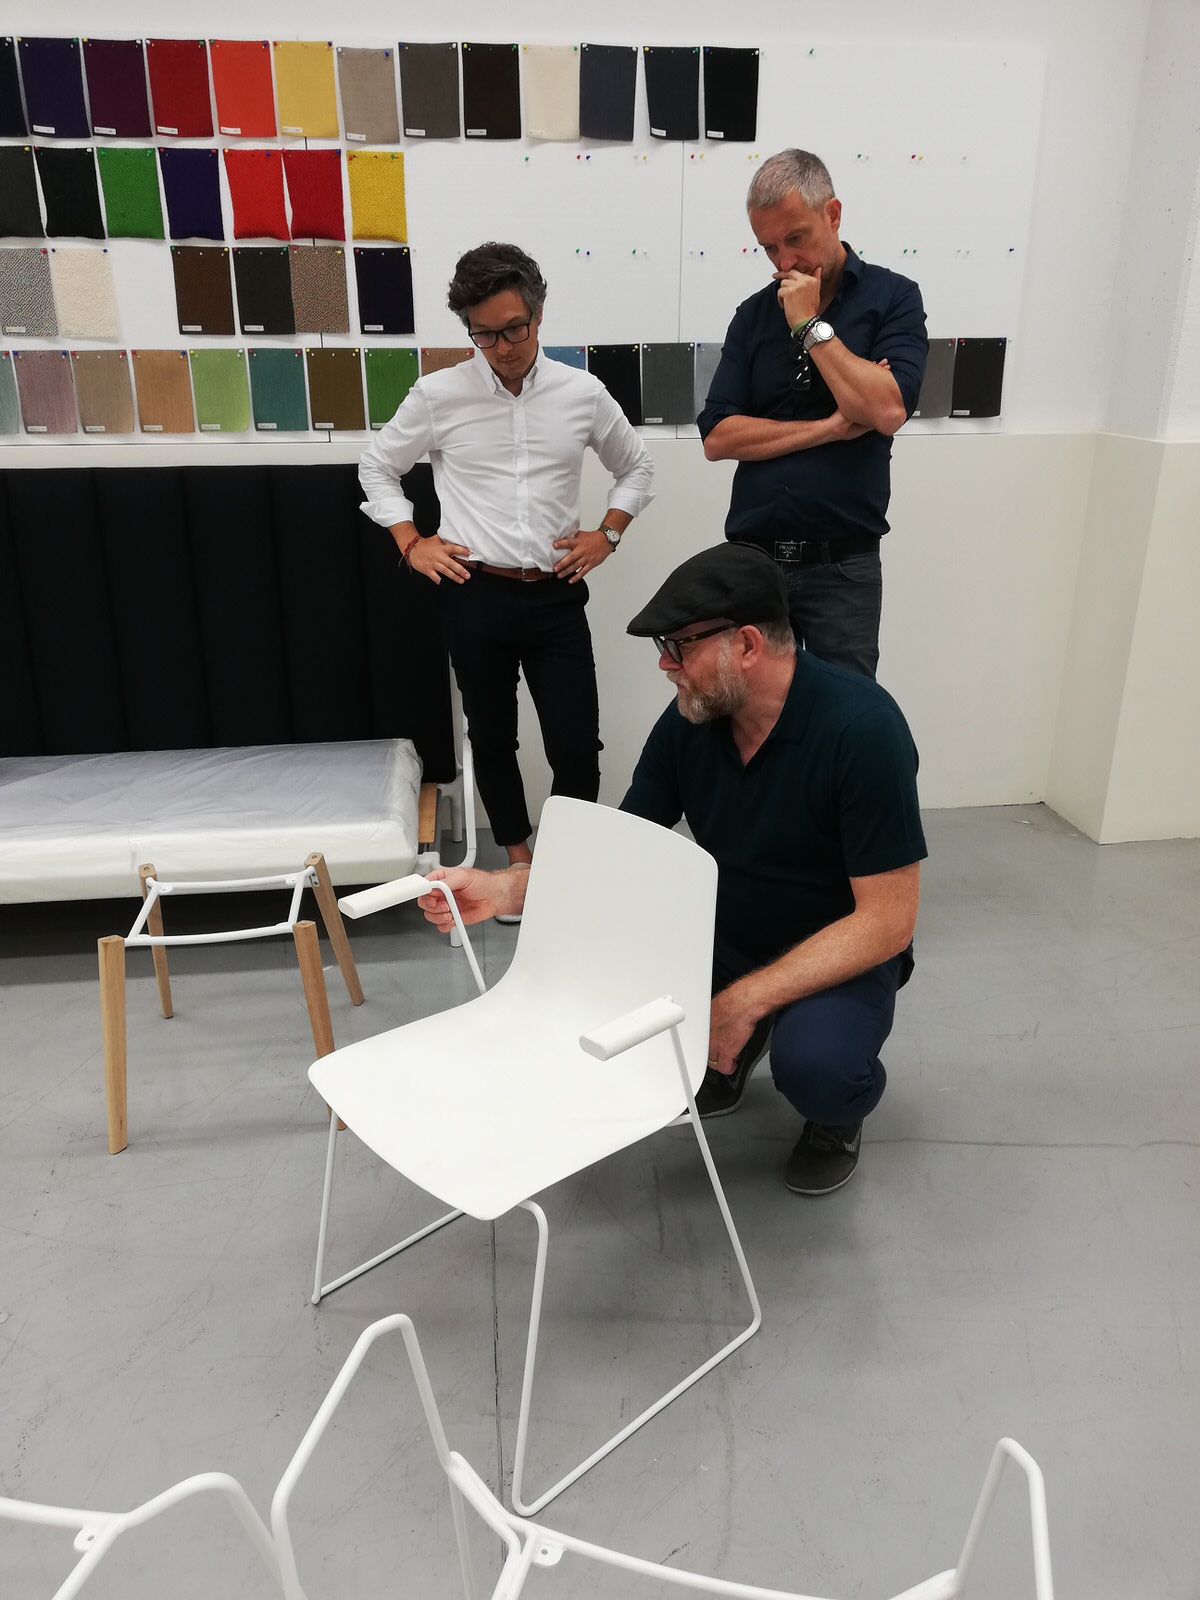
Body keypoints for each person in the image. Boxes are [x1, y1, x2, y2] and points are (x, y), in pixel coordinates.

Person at [418, 543, 926, 1196]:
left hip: (835, 949)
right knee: (605, 1001)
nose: (665, 664)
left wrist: (744, 1000)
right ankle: (735, 1045)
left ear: (746, 645)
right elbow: (620, 850)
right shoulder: (693, 722)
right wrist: (507, 888)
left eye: (679, 646)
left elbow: (888, 921)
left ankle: (834, 1115)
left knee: (819, 1070)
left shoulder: (863, 729)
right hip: (725, 933)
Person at [359, 242, 654, 878]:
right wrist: (411, 541)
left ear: (538, 315)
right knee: (492, 738)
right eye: (484, 334)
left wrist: (608, 534)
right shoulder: (439, 395)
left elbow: (636, 467)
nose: (502, 347)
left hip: (555, 595)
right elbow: (377, 467)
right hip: (474, 593)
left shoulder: (581, 392)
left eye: (514, 329)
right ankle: (520, 865)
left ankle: (566, 868)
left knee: (576, 743)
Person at [697, 149, 928, 680]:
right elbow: (717, 437)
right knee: (749, 708)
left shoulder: (893, 297)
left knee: (845, 712)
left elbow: (886, 408)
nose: (784, 263)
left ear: (833, 214)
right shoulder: (753, 314)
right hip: (754, 561)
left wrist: (809, 326)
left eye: (795, 238)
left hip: (842, 565)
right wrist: (829, 427)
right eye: (769, 247)